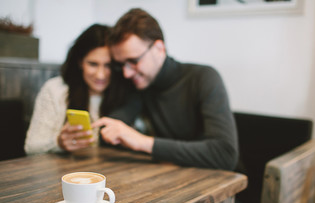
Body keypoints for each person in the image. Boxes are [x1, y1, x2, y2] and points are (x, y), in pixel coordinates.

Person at [93, 8, 238, 171]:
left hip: (223, 184)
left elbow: (225, 155)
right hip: (177, 178)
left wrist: (142, 142)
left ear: (159, 48)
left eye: (133, 61)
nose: (126, 73)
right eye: (121, 64)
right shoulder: (139, 82)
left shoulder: (203, 77)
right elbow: (113, 131)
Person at [25, 24, 134, 154]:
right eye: (93, 64)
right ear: (80, 62)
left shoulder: (126, 92)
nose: (101, 75)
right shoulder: (55, 90)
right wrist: (58, 143)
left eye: (108, 66)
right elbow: (31, 148)